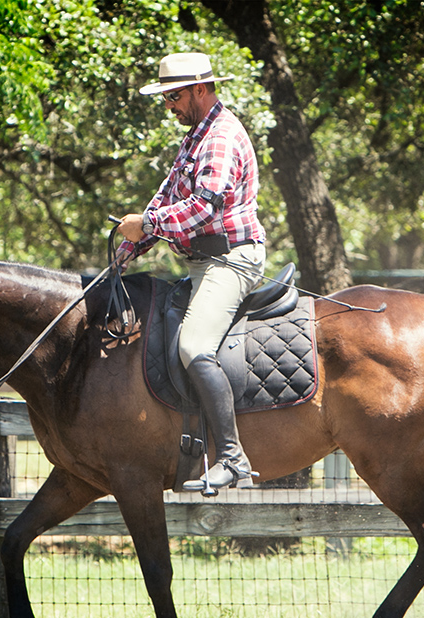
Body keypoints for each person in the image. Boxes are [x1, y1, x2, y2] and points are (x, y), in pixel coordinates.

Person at [115, 52, 266, 492]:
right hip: (202, 263)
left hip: (230, 261)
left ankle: (233, 459)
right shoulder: (194, 139)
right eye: (166, 98)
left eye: (174, 97)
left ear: (200, 89)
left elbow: (205, 207)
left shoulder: (220, 137)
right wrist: (128, 249)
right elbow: (166, 199)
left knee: (194, 345)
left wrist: (147, 225)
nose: (169, 107)